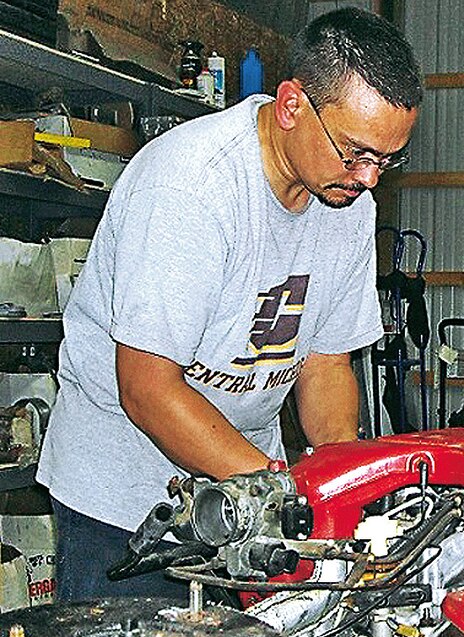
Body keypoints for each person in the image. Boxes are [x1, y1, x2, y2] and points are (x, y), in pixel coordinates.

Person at [37, 7, 422, 602]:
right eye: (355, 153)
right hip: (125, 496)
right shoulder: (191, 188)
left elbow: (325, 367)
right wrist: (285, 495)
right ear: (292, 105)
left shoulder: (347, 205)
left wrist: (341, 490)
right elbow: (146, 388)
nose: (370, 178)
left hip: (246, 486)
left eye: (387, 159)